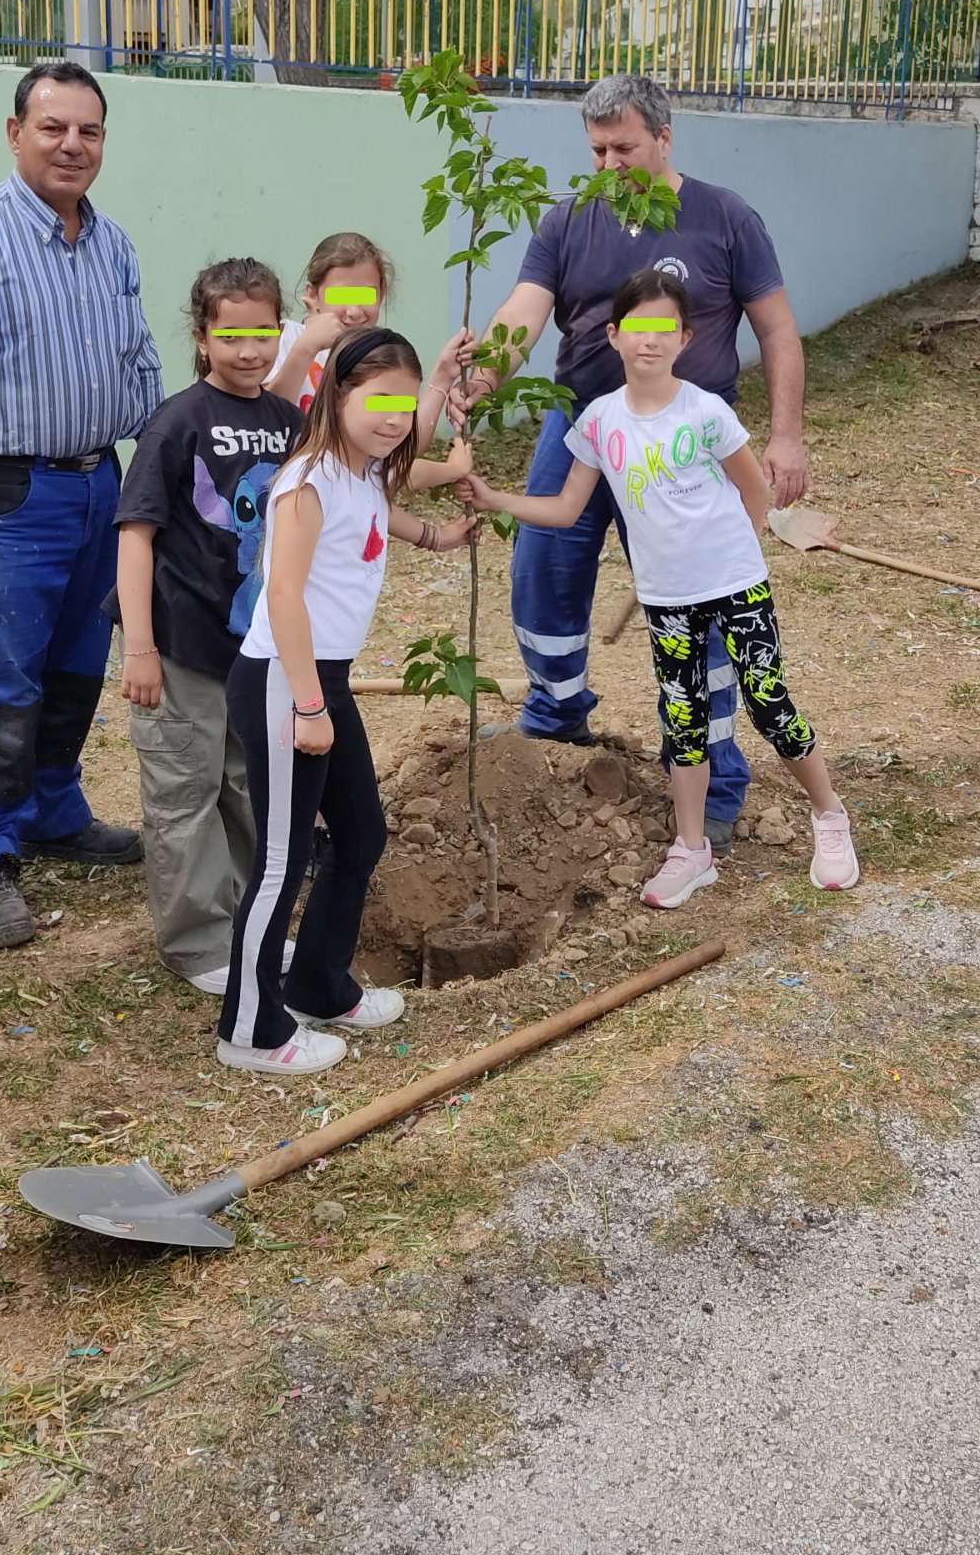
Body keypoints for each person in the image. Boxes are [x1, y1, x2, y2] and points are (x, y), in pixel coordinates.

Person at [457, 72, 808, 852]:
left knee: (706, 605)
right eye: (596, 150)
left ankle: (714, 780)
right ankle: (555, 718)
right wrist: (485, 373)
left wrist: (785, 435)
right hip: (584, 425)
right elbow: (524, 309)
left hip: (687, 443)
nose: (609, 163)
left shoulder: (724, 217)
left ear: (664, 137)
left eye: (624, 147)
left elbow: (778, 331)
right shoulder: (568, 219)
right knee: (542, 568)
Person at [464, 269, 858, 906]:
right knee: (685, 723)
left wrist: (734, 552)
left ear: (685, 338)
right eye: (636, 329)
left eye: (664, 329)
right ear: (614, 336)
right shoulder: (598, 421)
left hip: (735, 589)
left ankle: (829, 814)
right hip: (669, 603)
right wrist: (491, 497)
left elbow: (752, 491)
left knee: (768, 704)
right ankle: (692, 849)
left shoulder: (706, 412)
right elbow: (566, 509)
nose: (649, 341)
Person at [217, 326, 477, 1076]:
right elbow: (285, 596)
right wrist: (306, 705)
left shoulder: (359, 470)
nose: (394, 416)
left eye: (405, 400)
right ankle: (250, 1028)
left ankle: (318, 985)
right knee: (281, 859)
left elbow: (383, 506)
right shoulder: (305, 481)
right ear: (338, 393)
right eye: (379, 398)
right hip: (282, 679)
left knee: (361, 835)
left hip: (321, 679)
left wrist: (435, 536)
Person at [0, 60, 163, 950]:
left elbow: (141, 360)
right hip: (8, 492)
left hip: (103, 483)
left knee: (77, 662)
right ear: (15, 133)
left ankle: (54, 809)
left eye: (88, 131)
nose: (72, 145)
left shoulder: (114, 243)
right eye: (53, 128)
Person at [107, 258, 303, 996]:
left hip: (254, 649)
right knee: (185, 791)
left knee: (250, 787)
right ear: (202, 337)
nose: (249, 351)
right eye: (232, 336)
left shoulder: (288, 423)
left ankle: (250, 923)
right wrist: (140, 647)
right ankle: (198, 945)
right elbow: (136, 533)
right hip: (182, 646)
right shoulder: (178, 421)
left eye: (263, 334)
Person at [270, 228, 471, 492]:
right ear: (313, 293)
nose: (354, 312)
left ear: (381, 293)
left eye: (366, 296)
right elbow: (263, 421)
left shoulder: (377, 356)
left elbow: (397, 447)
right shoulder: (284, 339)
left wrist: (443, 377)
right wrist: (308, 347)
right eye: (340, 297)